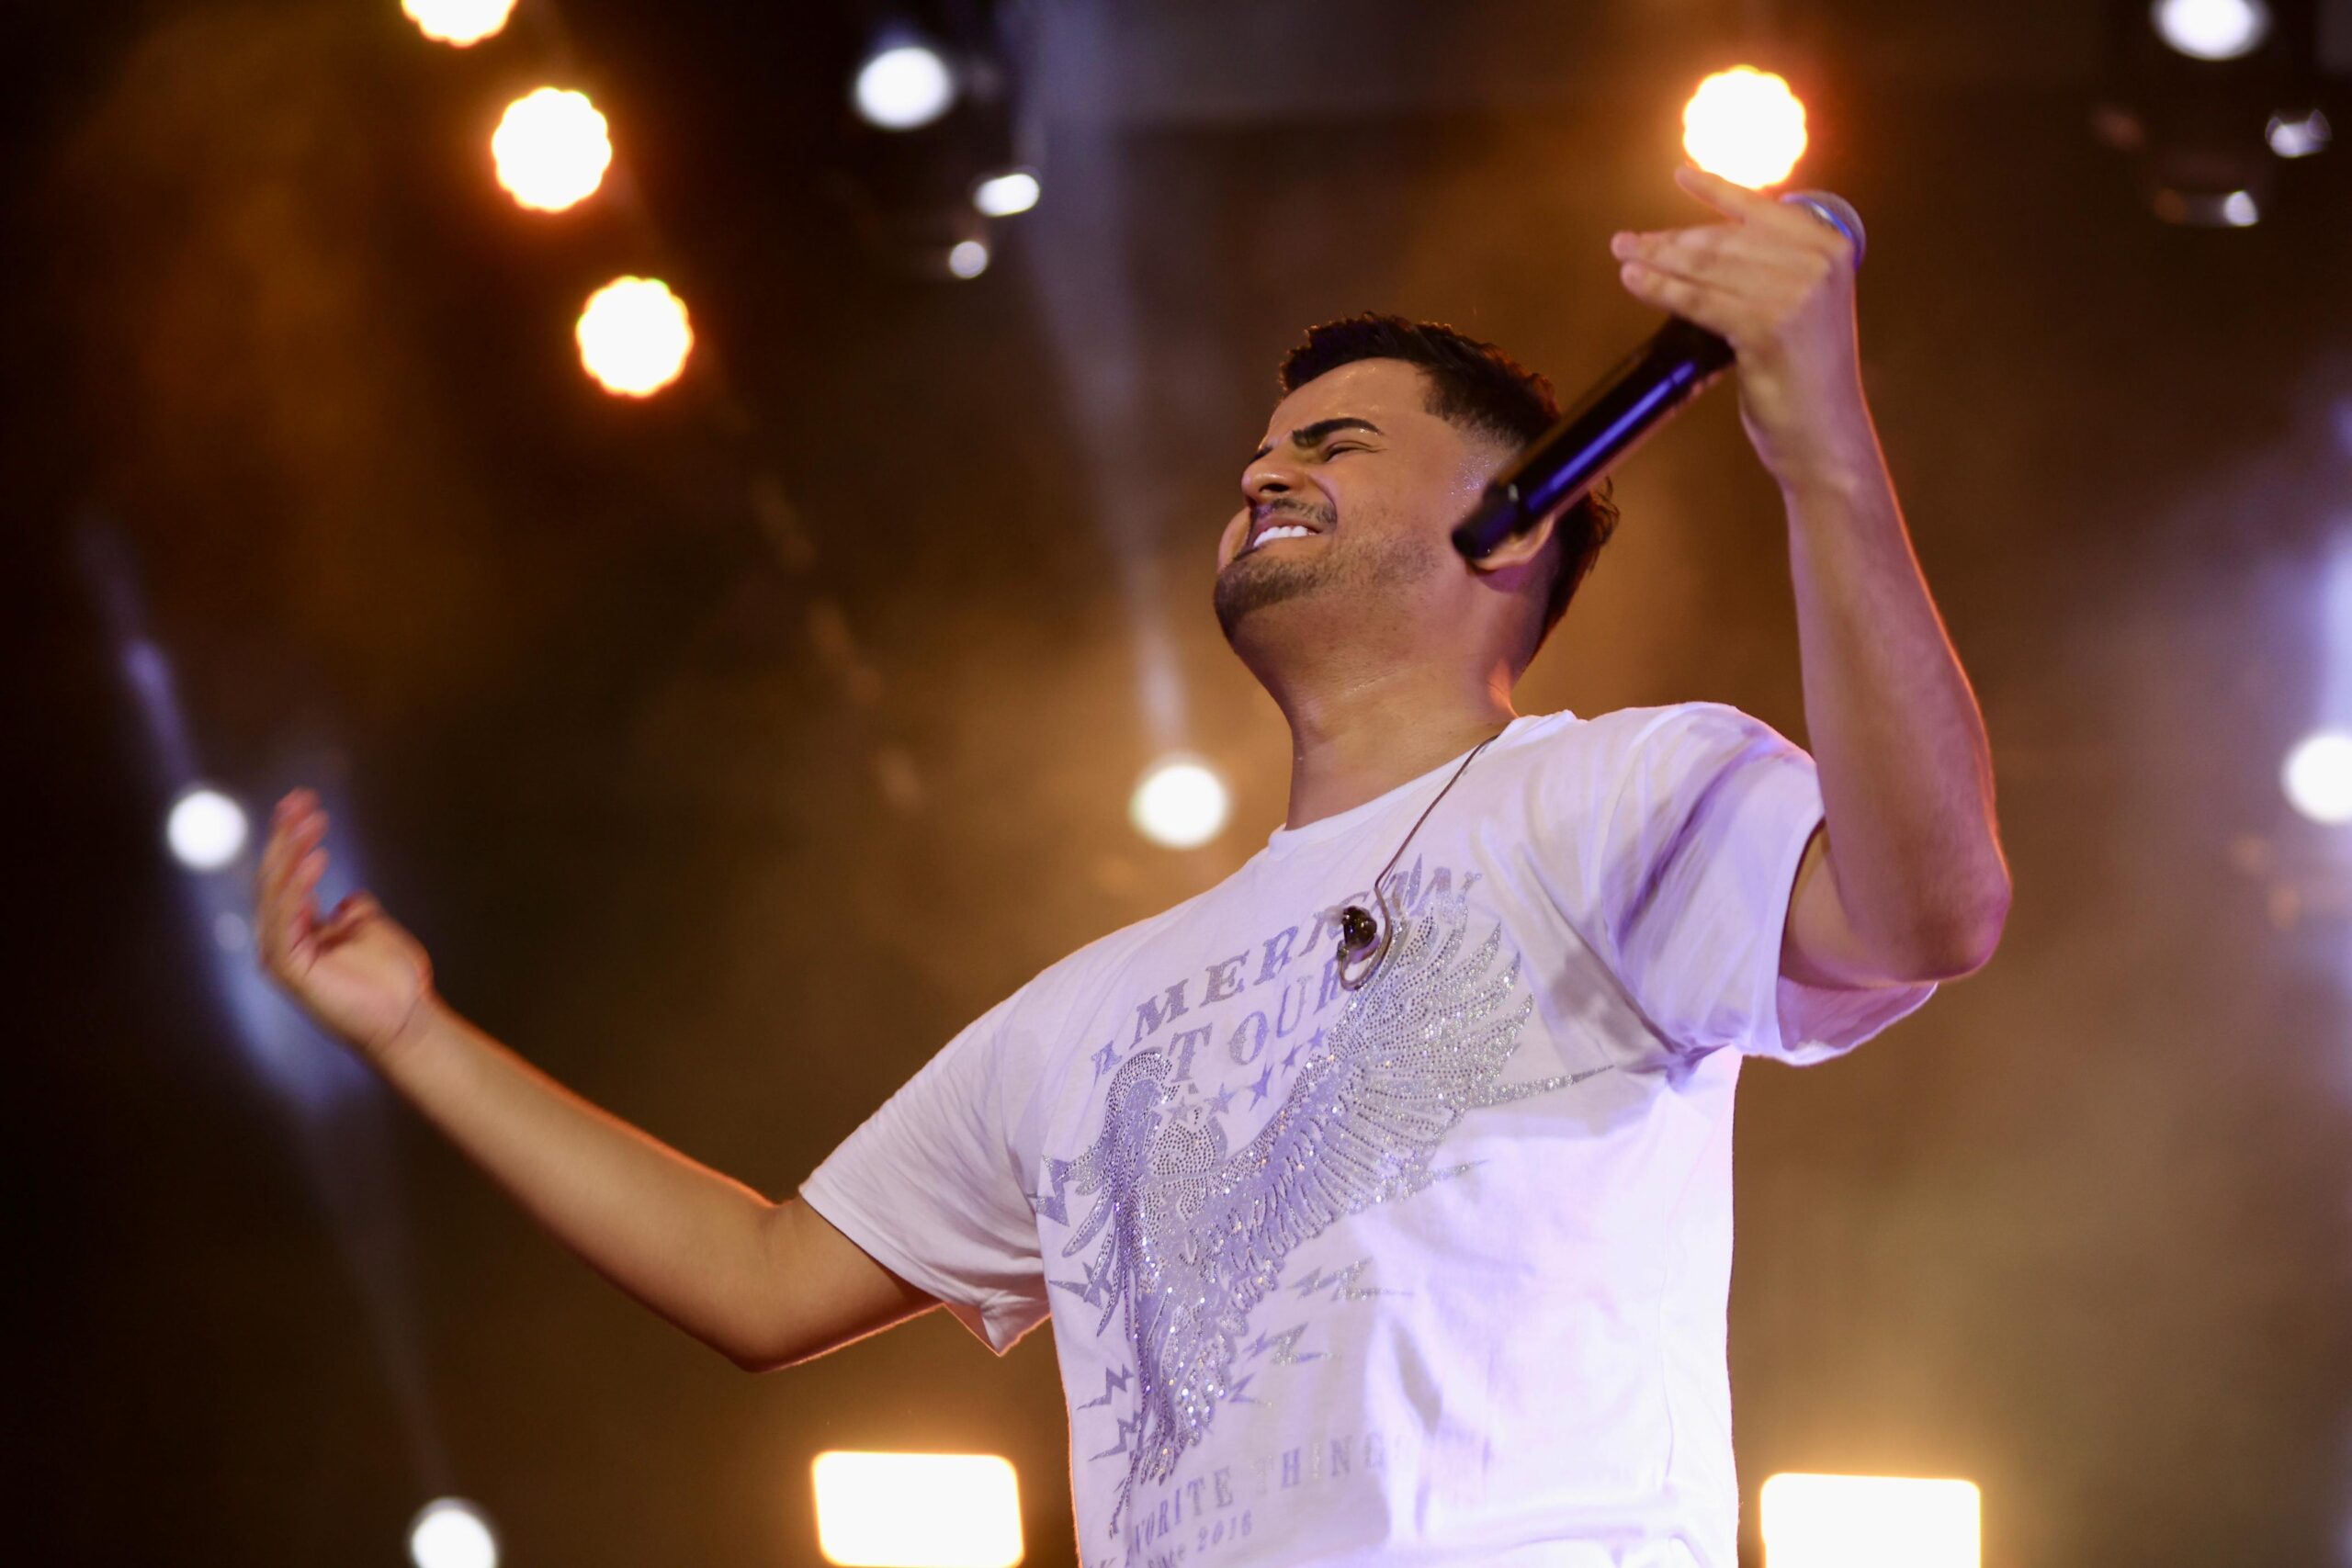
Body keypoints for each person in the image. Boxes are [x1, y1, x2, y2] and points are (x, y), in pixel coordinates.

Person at [256, 164, 2007, 1568]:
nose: (1264, 465)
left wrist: (1824, 453)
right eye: (1264, 446)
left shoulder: (1616, 793)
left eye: (1334, 443)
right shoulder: (1082, 1018)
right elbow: (764, 1278)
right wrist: (413, 1035)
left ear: (1517, 520)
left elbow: (1931, 912)